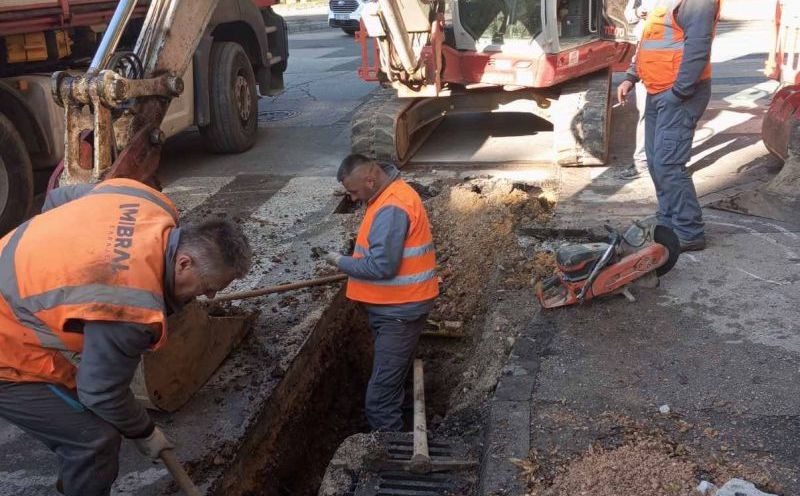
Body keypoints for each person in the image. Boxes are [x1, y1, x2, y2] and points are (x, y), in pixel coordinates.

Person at [0, 178, 252, 496]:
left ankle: (76, 482)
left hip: (7, 275)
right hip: (7, 351)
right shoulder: (131, 305)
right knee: (95, 440)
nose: (211, 296)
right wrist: (144, 431)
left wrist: (60, 266)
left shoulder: (148, 200)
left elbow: (57, 199)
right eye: (208, 286)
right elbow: (102, 393)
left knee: (80, 419)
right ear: (185, 263)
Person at [323, 154, 438, 431]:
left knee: (379, 400)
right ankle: (406, 422)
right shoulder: (388, 195)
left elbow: (382, 266)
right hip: (397, 307)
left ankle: (390, 453)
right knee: (393, 378)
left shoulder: (392, 207)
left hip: (399, 312)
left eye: (352, 191)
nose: (351, 199)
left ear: (370, 180)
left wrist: (340, 261)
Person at [616, 0, 720, 251]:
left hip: (678, 94)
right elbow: (650, 40)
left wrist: (679, 92)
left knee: (668, 164)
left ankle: (689, 230)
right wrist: (632, 76)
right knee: (655, 161)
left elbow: (697, 48)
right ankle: (668, 220)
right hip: (657, 90)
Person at [617, 0, 655, 180]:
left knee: (673, 120)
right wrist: (631, 77)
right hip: (647, 70)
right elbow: (629, 16)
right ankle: (643, 162)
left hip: (673, 77)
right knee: (647, 115)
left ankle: (672, 164)